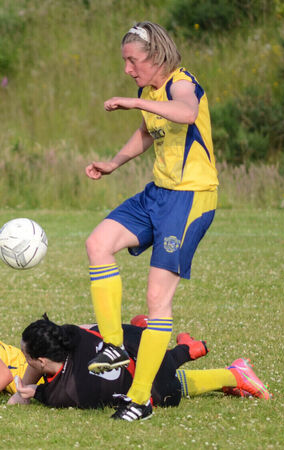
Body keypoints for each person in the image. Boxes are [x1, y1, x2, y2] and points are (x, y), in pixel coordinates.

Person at [83, 21, 219, 421]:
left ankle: (140, 400)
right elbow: (149, 132)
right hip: (157, 193)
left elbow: (186, 111)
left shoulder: (181, 83)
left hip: (190, 198)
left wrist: (135, 102)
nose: (128, 69)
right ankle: (112, 345)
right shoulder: (150, 91)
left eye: (132, 60)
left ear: (156, 56)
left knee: (157, 301)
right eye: (125, 60)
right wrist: (113, 162)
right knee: (98, 243)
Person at [9, 316, 270, 417]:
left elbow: (45, 389)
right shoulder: (72, 335)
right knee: (158, 361)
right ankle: (180, 343)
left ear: (42, 361)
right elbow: (91, 328)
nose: (24, 358)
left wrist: (30, 392)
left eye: (25, 354)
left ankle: (236, 375)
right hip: (143, 344)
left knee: (171, 383)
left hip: (160, 389)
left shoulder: (61, 395)